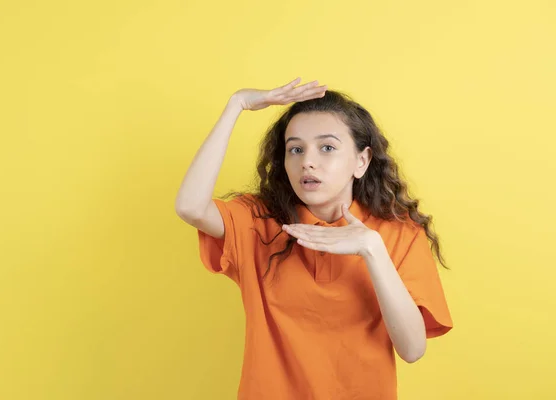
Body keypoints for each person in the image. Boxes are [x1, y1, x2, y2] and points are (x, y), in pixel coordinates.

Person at [175, 77, 453, 400]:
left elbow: (413, 348)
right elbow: (190, 206)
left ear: (361, 161)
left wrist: (371, 249)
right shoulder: (257, 223)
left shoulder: (398, 234)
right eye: (296, 149)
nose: (307, 160)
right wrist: (236, 105)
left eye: (327, 147)